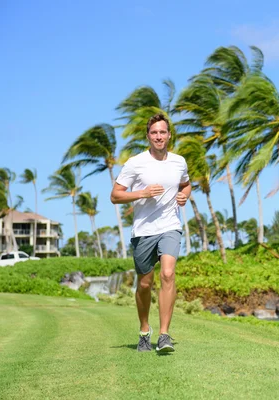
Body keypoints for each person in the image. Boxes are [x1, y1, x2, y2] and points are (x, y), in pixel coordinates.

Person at [110, 113, 191, 353]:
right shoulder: (136, 163)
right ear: (148, 136)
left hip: (170, 226)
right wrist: (142, 193)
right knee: (144, 284)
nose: (158, 136)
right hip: (144, 230)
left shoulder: (179, 162)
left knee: (168, 273)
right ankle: (145, 331)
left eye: (162, 132)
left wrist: (184, 195)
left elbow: (186, 184)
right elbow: (115, 195)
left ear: (168, 135)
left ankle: (164, 335)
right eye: (154, 132)